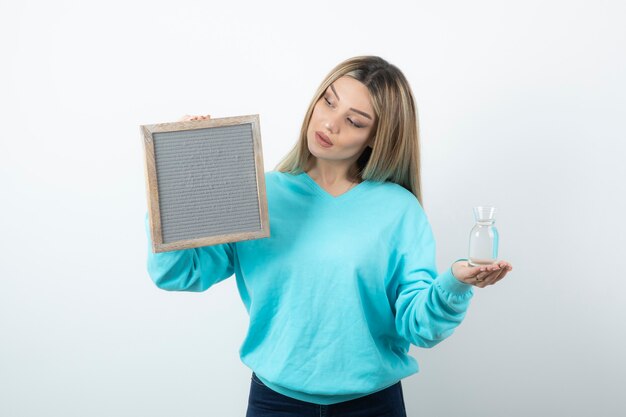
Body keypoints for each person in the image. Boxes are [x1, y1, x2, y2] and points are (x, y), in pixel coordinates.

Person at [144, 56, 513, 417]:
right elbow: (179, 273)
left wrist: (454, 284)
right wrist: (178, 169)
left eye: (354, 121)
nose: (329, 123)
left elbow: (420, 327)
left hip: (373, 406)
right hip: (275, 403)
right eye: (328, 101)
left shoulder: (398, 210)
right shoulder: (259, 194)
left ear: (376, 138)